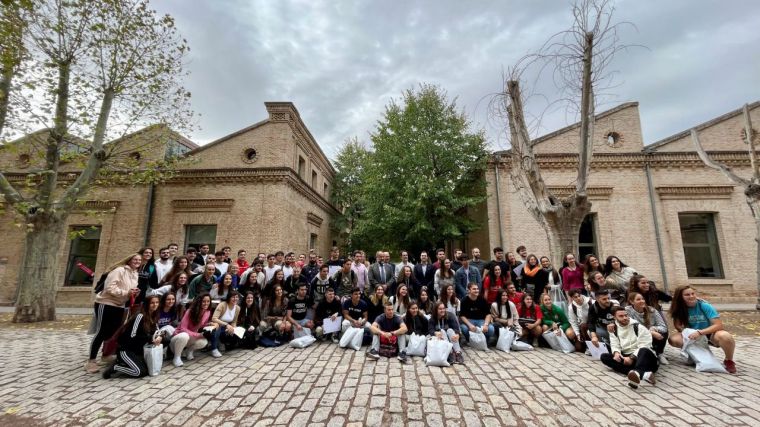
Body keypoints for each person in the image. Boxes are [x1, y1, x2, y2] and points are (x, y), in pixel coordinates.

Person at [86, 253, 141, 374]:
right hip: (106, 303)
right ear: (129, 260)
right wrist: (127, 292)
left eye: (139, 260)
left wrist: (134, 293)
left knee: (113, 332)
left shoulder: (135, 274)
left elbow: (129, 290)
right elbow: (109, 288)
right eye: (135, 259)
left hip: (120, 305)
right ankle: (91, 361)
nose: (137, 261)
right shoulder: (119, 270)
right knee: (102, 331)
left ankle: (105, 355)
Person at [667, 285, 737, 373]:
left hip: (710, 332)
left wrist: (700, 332)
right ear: (680, 297)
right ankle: (695, 354)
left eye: (693, 293)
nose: (691, 296)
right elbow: (677, 326)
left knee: (726, 336)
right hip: (693, 335)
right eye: (687, 295)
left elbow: (718, 325)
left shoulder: (704, 305)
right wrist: (687, 333)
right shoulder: (678, 308)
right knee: (673, 339)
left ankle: (729, 360)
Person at [102, 295, 162, 379]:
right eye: (152, 303)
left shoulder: (153, 316)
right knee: (139, 372)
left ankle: (124, 363)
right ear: (147, 304)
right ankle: (115, 367)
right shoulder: (140, 316)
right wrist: (151, 338)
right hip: (126, 350)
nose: (155, 304)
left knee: (146, 370)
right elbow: (132, 336)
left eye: (157, 302)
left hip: (137, 351)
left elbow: (158, 331)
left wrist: (159, 337)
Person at [600, 306, 659, 389]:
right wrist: (616, 353)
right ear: (614, 317)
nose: (625, 318)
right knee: (604, 357)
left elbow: (646, 345)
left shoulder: (638, 327)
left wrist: (631, 358)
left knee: (643, 350)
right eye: (621, 316)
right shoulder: (614, 328)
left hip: (646, 359)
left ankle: (637, 374)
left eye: (626, 315)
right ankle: (644, 374)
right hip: (627, 357)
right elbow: (614, 343)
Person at [170, 293, 212, 367]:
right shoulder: (190, 311)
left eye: (208, 301)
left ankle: (188, 351)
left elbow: (202, 324)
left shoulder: (207, 312)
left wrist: (210, 325)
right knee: (184, 336)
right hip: (178, 338)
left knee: (204, 342)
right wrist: (198, 335)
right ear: (199, 302)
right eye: (203, 301)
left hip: (190, 337)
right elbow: (183, 328)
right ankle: (176, 357)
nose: (206, 303)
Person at [626, 292, 669, 364]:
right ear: (631, 301)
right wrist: (650, 332)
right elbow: (632, 327)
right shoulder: (628, 311)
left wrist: (654, 328)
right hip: (637, 336)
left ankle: (659, 353)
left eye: (643, 299)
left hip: (651, 335)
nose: (642, 301)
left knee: (664, 332)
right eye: (638, 299)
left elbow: (663, 327)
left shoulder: (652, 310)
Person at [210, 291, 241, 357]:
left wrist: (233, 328)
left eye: (237, 297)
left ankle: (221, 342)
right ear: (229, 298)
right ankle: (214, 348)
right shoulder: (222, 305)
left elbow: (234, 322)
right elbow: (214, 318)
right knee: (217, 327)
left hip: (226, 328)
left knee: (236, 334)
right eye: (233, 297)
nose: (235, 299)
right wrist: (226, 325)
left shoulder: (237, 308)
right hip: (217, 325)